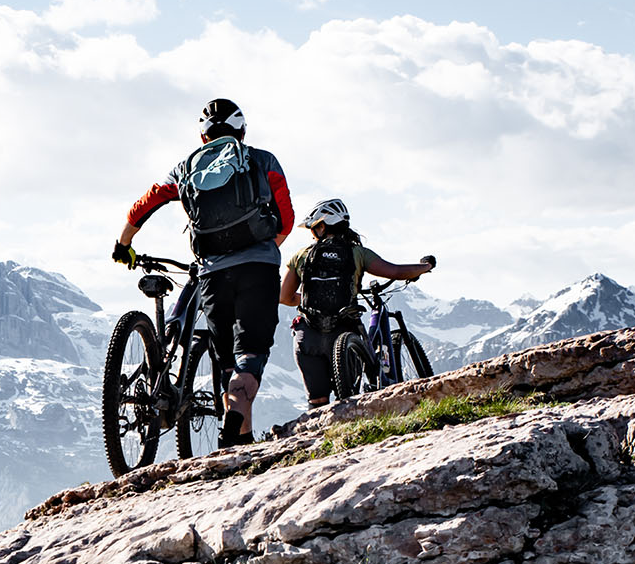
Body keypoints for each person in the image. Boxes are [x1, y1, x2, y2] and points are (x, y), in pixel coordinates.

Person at [112, 98, 293, 448]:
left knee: (226, 363)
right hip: (258, 268)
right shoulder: (263, 160)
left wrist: (124, 244)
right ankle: (234, 423)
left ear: (202, 136)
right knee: (250, 357)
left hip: (212, 274)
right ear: (241, 131)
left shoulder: (186, 168)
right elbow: (285, 219)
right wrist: (265, 250)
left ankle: (241, 442)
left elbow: (148, 201)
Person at [279, 198, 437, 407]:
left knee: (317, 402)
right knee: (350, 400)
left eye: (314, 228)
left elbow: (285, 297)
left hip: (308, 336)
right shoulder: (357, 253)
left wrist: (309, 299)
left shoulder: (302, 256)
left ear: (323, 226)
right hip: (344, 332)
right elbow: (396, 271)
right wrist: (424, 266)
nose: (312, 233)